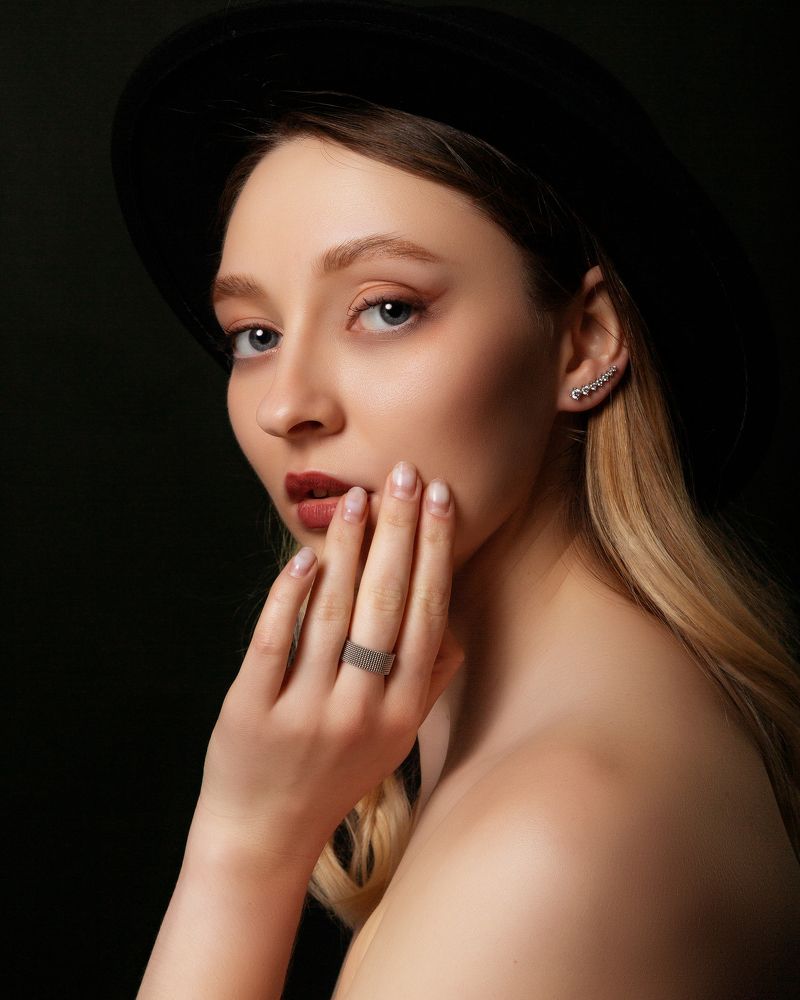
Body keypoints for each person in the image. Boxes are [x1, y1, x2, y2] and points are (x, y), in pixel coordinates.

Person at [112, 1, 800, 996]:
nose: (287, 405)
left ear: (584, 341)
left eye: (387, 309)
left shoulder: (550, 845)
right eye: (255, 335)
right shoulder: (581, 741)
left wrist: (241, 849)